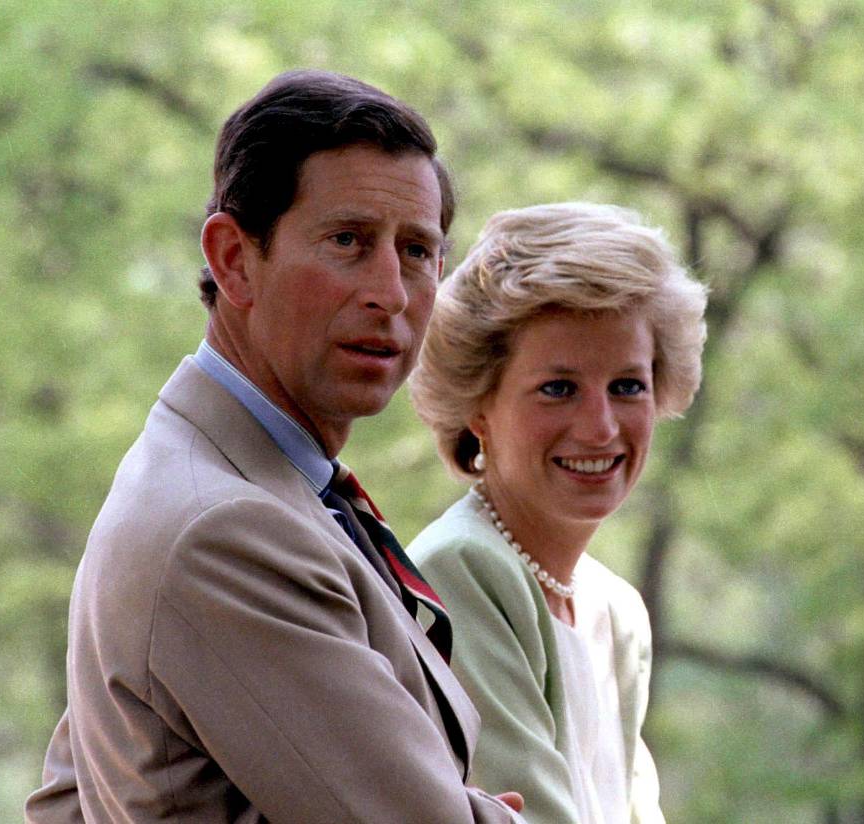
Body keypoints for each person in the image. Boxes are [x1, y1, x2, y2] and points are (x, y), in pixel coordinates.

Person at [25, 69, 523, 823]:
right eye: (348, 242)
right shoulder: (223, 528)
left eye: (418, 251)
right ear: (232, 259)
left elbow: (69, 801)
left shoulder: (231, 479)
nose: (390, 290)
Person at [407, 202, 708, 824]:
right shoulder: (461, 569)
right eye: (558, 388)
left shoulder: (615, 606)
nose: (600, 428)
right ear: (477, 405)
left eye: (628, 386)